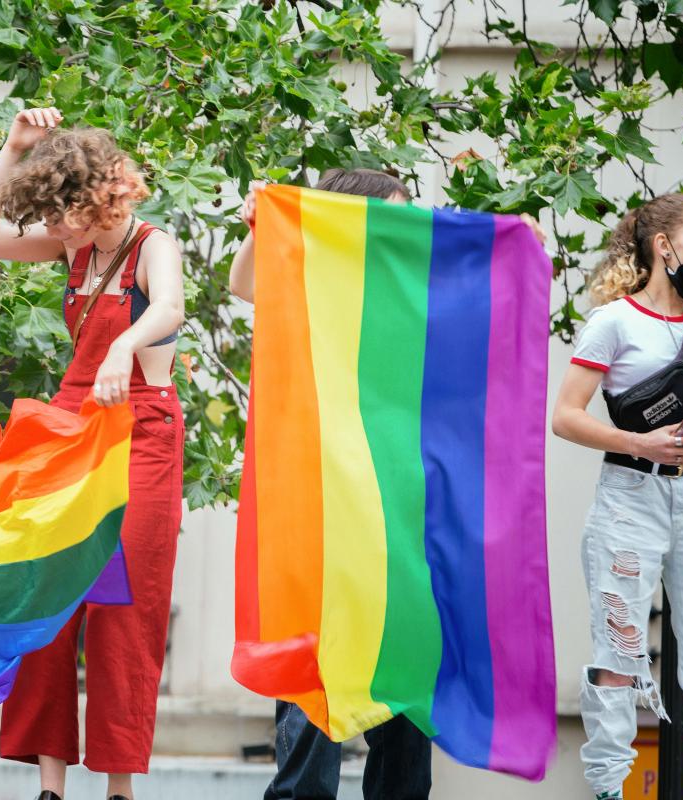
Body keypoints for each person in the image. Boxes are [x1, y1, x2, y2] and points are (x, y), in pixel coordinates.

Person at [0, 106, 185, 800]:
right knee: (47, 597)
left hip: (141, 429)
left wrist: (123, 345)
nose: (54, 230)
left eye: (63, 215)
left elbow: (169, 308)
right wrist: (14, 147)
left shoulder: (152, 244)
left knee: (127, 608)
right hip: (67, 431)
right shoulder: (70, 247)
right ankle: (50, 784)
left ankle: (119, 789)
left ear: (96, 201)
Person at [229, 168, 434, 800]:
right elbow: (242, 284)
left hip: (397, 504)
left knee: (403, 658)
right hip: (320, 504)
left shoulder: (409, 286)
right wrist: (259, 223)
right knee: (315, 657)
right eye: (389, 215)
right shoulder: (310, 281)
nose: (400, 228)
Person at [552, 193, 683, 800]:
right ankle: (608, 791)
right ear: (663, 245)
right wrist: (637, 441)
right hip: (630, 497)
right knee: (619, 649)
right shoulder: (615, 320)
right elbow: (565, 417)